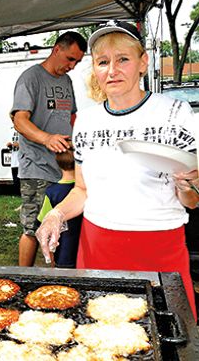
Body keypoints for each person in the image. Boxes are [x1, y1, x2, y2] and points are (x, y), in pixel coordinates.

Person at [36, 20, 199, 318]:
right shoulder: (86, 121)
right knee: (102, 336)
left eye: (123, 59)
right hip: (98, 245)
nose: (112, 70)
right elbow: (83, 190)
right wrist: (55, 215)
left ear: (143, 62)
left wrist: (187, 186)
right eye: (103, 62)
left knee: (168, 336)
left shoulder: (176, 114)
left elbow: (193, 200)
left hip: (159, 245)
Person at [12, 31, 87, 266]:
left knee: (62, 225)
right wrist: (47, 138)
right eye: (70, 59)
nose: (72, 66)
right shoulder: (30, 78)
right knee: (33, 227)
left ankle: (56, 276)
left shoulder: (66, 81)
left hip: (65, 170)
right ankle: (23, 278)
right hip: (37, 167)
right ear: (57, 50)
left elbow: (71, 116)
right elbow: (19, 120)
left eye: (77, 62)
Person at [36, 145, 82, 268]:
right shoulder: (87, 190)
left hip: (63, 254)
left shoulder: (51, 192)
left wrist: (51, 260)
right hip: (85, 251)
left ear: (57, 163)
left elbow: (44, 225)